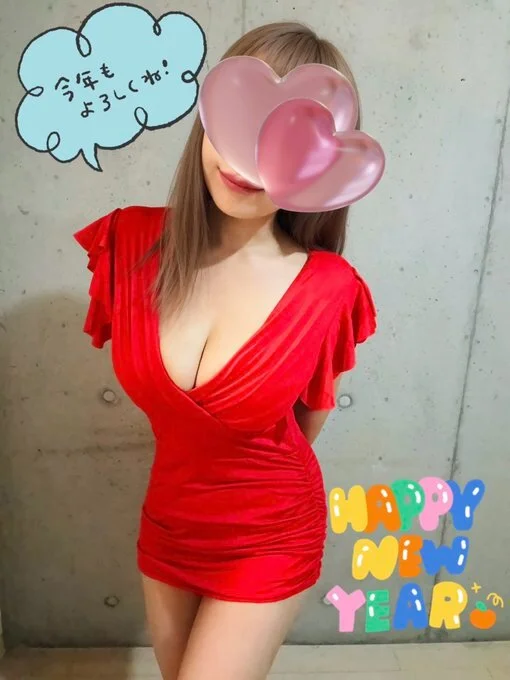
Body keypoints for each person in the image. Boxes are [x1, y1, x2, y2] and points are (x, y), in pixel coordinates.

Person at [74, 21, 377, 680]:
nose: (248, 159)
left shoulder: (328, 289)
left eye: (290, 138)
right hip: (170, 521)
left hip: (268, 533)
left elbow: (303, 428)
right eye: (242, 118)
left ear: (323, 164)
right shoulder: (128, 245)